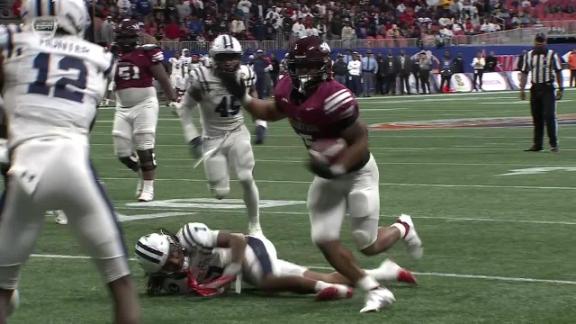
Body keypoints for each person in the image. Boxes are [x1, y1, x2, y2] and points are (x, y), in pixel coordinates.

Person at [217, 36, 424, 313]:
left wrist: (336, 167)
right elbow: (267, 109)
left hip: (356, 172)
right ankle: (375, 290)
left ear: (323, 67)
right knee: (324, 239)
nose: (303, 72)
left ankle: (403, 227)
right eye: (299, 66)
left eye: (310, 66)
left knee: (368, 244)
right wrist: (241, 95)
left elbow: (360, 140)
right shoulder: (287, 89)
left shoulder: (335, 96)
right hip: (328, 176)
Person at [0, 3, 140, 323]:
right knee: (121, 284)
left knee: (3, 289)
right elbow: (85, 121)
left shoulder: (11, 41)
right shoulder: (102, 58)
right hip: (75, 166)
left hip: (25, 168)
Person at [134, 222, 416, 298]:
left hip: (249, 251)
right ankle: (384, 272)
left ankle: (335, 293)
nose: (174, 262)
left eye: (171, 254)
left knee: (267, 280)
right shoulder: (165, 285)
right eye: (167, 266)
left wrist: (227, 274)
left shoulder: (191, 235)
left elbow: (237, 241)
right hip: (241, 273)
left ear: (173, 243)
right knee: (318, 276)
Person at [177, 34, 262, 235]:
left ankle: (255, 224)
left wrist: (260, 122)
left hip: (237, 132)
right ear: (214, 58)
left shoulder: (245, 74)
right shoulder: (201, 77)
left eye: (233, 56)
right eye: (224, 57)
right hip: (211, 139)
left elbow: (254, 98)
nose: (229, 61)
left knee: (246, 177)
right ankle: (218, 183)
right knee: (220, 193)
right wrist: (193, 138)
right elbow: (185, 109)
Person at [112, 19, 177, 202]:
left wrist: (173, 98)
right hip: (122, 106)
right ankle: (141, 171)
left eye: (128, 36)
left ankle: (148, 187)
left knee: (144, 146)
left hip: (144, 104)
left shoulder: (146, 53)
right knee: (122, 152)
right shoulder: (112, 56)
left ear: (136, 37)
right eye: (122, 37)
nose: (125, 40)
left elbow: (162, 77)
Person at [520, 33, 564, 153]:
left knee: (549, 116)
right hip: (535, 88)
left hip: (548, 88)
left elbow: (558, 71)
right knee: (536, 117)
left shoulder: (552, 54)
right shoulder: (529, 55)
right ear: (534, 42)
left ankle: (554, 144)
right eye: (537, 42)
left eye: (541, 42)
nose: (539, 44)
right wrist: (522, 89)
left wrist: (561, 88)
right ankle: (537, 144)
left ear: (545, 42)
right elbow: (524, 72)